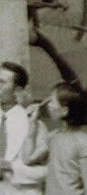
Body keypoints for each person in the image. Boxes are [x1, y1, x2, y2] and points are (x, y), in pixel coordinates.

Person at [38, 85, 87, 195]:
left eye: (52, 102)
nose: (48, 105)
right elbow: (30, 158)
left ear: (65, 111)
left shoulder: (83, 142)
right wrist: (32, 122)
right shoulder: (53, 136)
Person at [0, 62, 46, 195]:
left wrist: (10, 167)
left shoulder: (32, 124)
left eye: (2, 82)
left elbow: (45, 171)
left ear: (17, 90)